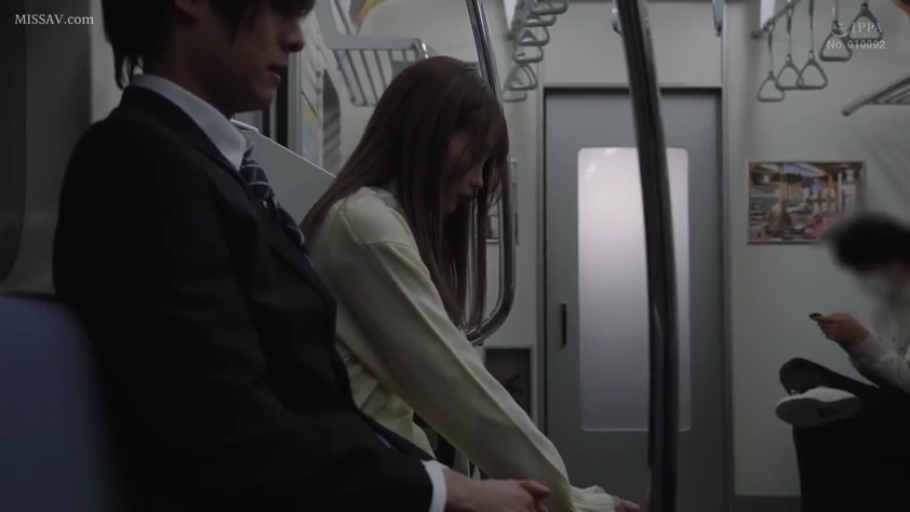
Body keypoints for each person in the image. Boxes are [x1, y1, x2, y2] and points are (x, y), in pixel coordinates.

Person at [52, 1, 550, 511]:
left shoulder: (220, 174)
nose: (295, 38)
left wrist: (439, 480)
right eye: (281, 10)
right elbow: (230, 435)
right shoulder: (142, 166)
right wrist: (448, 490)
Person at [302, 56, 638, 512]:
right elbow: (458, 389)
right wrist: (573, 504)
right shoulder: (366, 228)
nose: (478, 181)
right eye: (474, 156)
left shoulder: (368, 220)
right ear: (425, 134)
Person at [774, 214, 910, 511]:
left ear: (895, 260)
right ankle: (818, 397)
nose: (864, 278)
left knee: (813, 425)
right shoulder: (887, 305)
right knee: (796, 368)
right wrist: (852, 346)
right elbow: (887, 377)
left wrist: (862, 338)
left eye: (866, 268)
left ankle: (821, 403)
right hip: (895, 399)